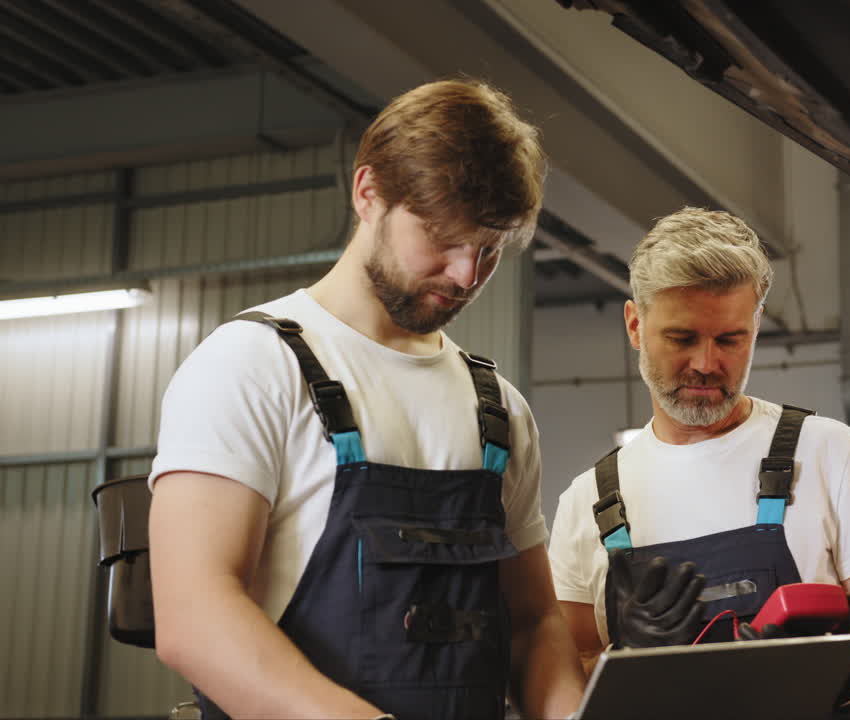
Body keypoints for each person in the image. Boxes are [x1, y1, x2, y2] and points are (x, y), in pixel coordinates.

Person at [148, 79, 584, 720]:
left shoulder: (499, 409)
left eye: (488, 249)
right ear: (368, 194)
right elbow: (194, 615)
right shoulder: (251, 366)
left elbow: (533, 623)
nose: (466, 274)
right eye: (442, 238)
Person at [547, 207, 850, 712]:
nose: (707, 364)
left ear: (754, 325)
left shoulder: (827, 452)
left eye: (730, 339)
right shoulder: (590, 500)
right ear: (636, 325)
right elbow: (559, 674)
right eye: (682, 338)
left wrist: (822, 677)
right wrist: (628, 659)